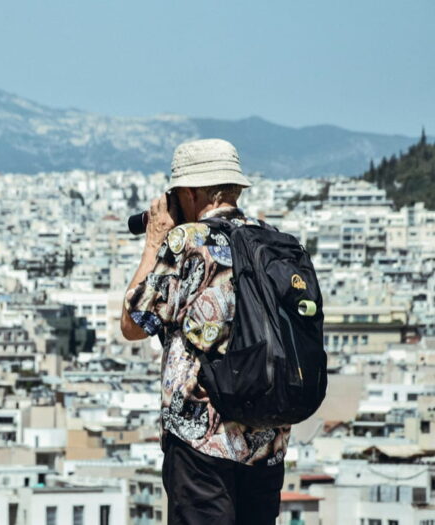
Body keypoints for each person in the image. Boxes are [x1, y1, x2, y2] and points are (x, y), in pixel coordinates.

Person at [121, 138, 289, 525]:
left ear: (191, 192)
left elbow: (132, 324)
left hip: (202, 438)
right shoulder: (274, 242)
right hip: (268, 436)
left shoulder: (189, 243)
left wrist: (154, 243)